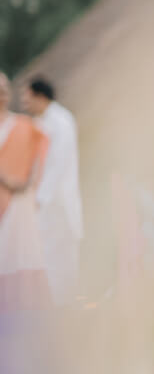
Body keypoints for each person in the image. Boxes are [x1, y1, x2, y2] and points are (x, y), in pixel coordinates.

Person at [20, 77, 83, 305]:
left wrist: (40, 198)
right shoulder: (39, 123)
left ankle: (66, 310)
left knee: (64, 261)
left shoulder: (61, 121)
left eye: (26, 97)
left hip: (59, 203)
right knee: (47, 259)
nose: (24, 103)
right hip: (46, 205)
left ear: (39, 96)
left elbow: (58, 163)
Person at [0, 72, 50, 311]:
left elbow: (40, 157)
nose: (2, 95)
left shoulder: (25, 126)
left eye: (5, 90)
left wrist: (26, 183)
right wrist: (5, 180)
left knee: (19, 254)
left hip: (19, 202)